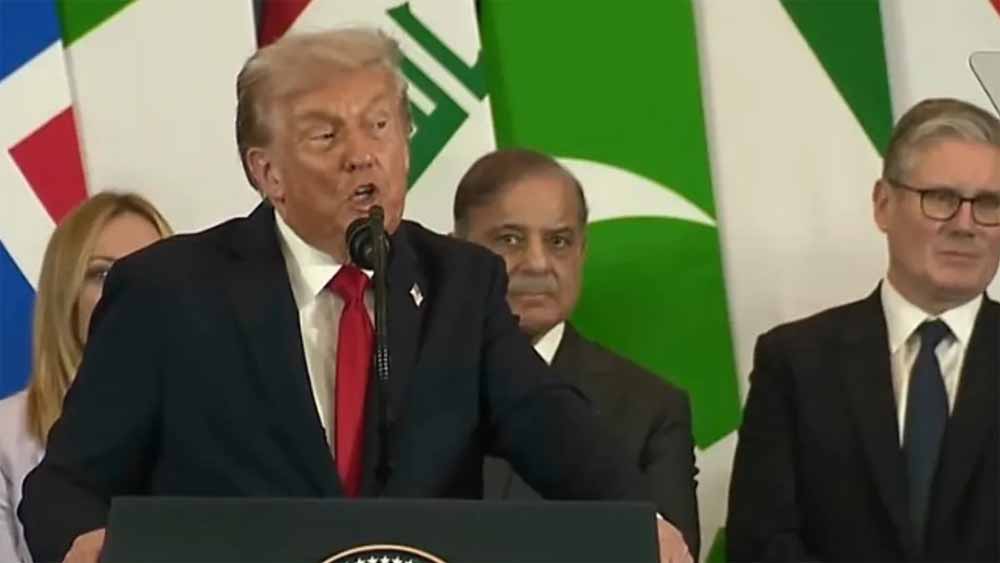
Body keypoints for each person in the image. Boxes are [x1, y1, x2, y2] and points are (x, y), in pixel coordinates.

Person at [19, 29, 691, 563]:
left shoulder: (461, 285)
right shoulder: (169, 292)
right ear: (267, 172)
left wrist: (642, 522)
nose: (362, 155)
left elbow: (558, 435)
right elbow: (65, 487)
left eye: (380, 126)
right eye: (326, 135)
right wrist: (83, 542)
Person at [727, 98, 1000, 562]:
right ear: (883, 204)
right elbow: (761, 542)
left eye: (989, 204)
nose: (965, 224)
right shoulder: (796, 362)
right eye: (941, 199)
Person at [453, 148, 700, 556]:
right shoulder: (403, 379)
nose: (537, 263)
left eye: (559, 242)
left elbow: (665, 555)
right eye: (510, 239)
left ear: (582, 252)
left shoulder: (651, 410)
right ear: (455, 250)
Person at [0, 192, 171, 562]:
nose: (129, 292)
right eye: (103, 274)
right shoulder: (5, 436)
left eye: (151, 272)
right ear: (66, 293)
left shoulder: (212, 429)